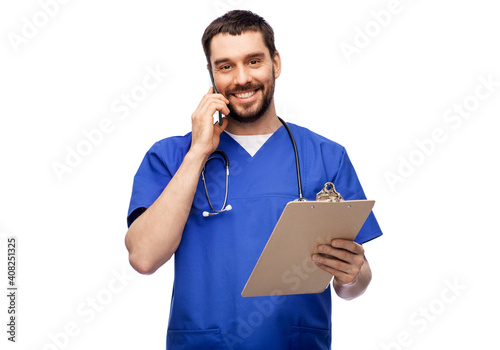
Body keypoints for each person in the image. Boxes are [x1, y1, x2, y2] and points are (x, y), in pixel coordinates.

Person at [125, 10, 382, 350]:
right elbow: (143, 258)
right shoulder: (172, 156)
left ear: (276, 63)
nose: (242, 78)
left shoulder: (325, 156)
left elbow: (355, 280)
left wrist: (352, 276)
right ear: (211, 75)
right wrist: (198, 151)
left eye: (254, 61)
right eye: (226, 66)